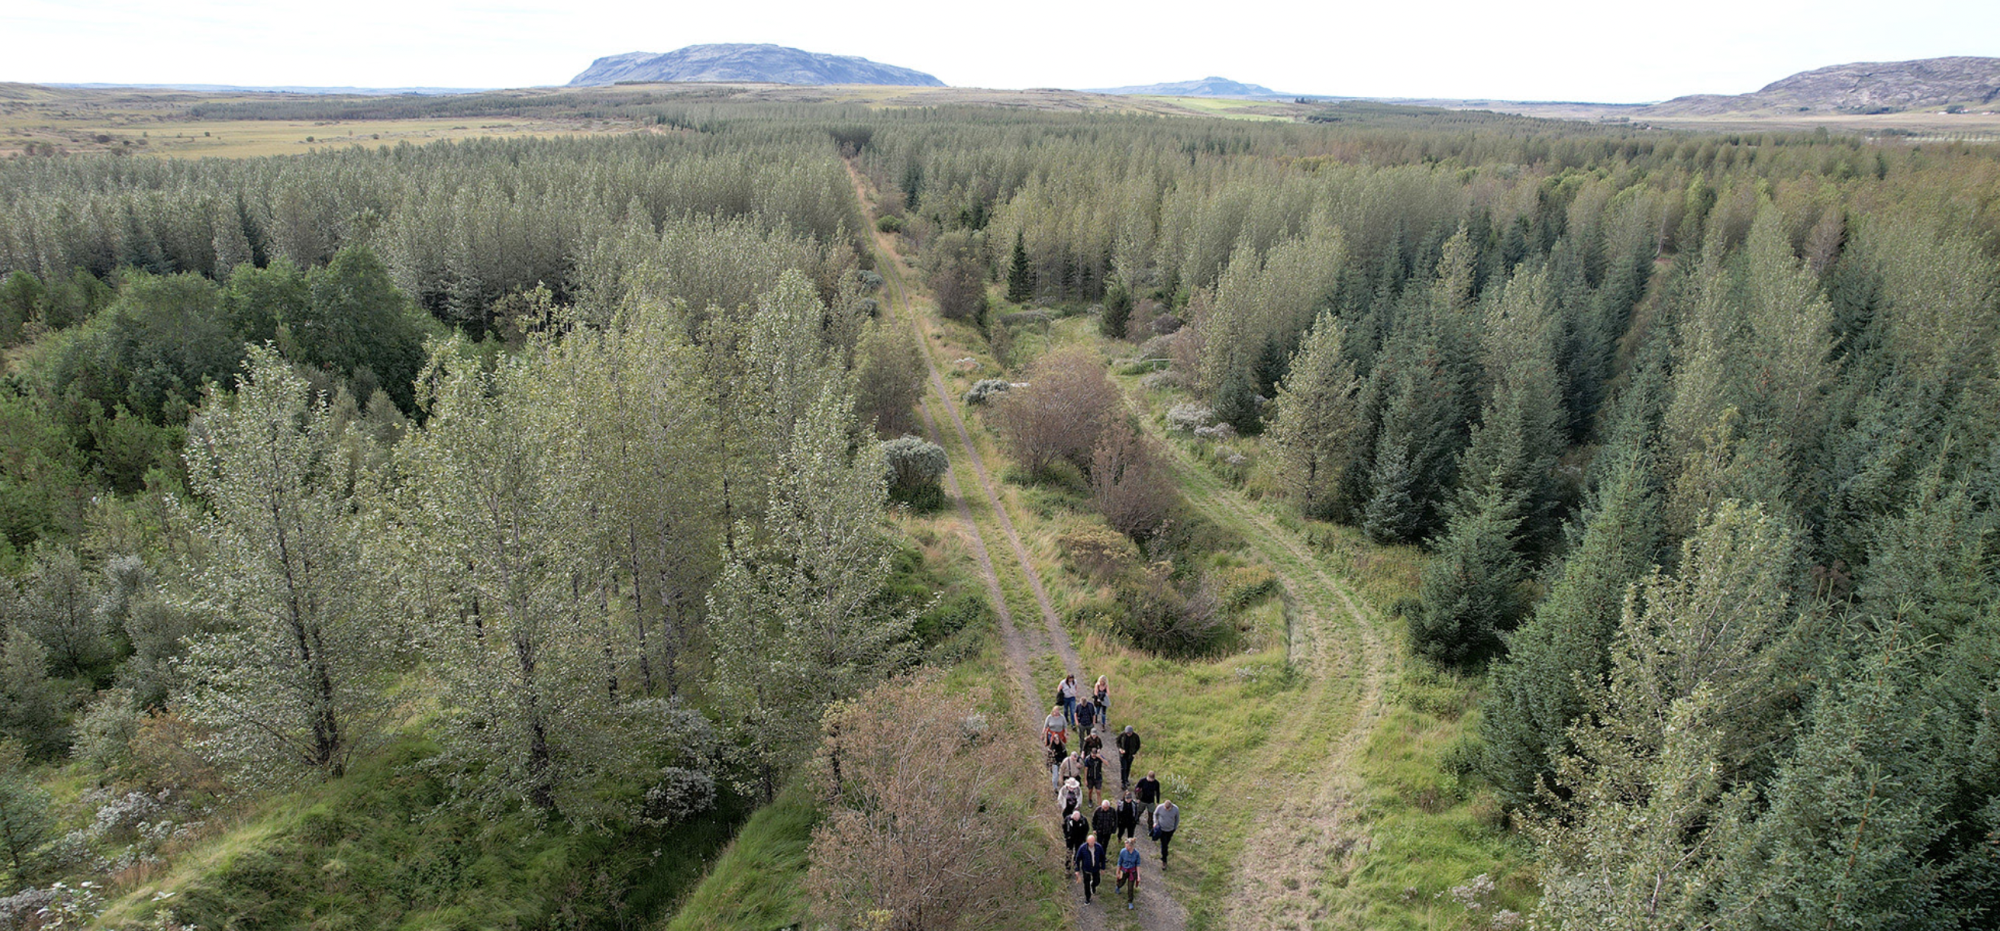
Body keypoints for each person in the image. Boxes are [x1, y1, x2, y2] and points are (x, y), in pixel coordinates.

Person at [1074, 833, 1106, 903]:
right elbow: (1077, 859)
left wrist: (1103, 868)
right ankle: (1087, 898)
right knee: (1086, 884)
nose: (1092, 844)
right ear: (1087, 841)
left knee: (1097, 881)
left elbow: (1103, 858)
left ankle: (1093, 885)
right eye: (1090, 842)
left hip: (1096, 868)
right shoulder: (1082, 848)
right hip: (1086, 869)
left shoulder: (1099, 847)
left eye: (1093, 842)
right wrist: (1077, 870)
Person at [1115, 838, 1142, 909]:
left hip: (1132, 872)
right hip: (1124, 870)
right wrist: (1117, 872)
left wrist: (1138, 876)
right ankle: (1118, 886)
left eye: (1127, 846)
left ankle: (1130, 901)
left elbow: (1138, 865)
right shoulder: (1122, 851)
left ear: (1131, 846)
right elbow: (1119, 862)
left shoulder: (1136, 854)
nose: (1126, 847)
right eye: (1125, 845)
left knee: (1130, 887)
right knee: (1121, 881)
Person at [1153, 798, 1180, 867]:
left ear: (1171, 806)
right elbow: (1155, 814)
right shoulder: (1160, 807)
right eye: (1166, 808)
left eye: (1168, 808)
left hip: (1170, 830)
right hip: (1162, 830)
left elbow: (1177, 819)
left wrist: (1174, 827)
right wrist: (1155, 822)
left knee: (1166, 843)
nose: (1167, 810)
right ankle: (1164, 860)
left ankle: (1165, 853)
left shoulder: (1176, 809)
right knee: (1164, 844)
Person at [1116, 725, 1141, 790]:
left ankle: (1126, 779)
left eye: (1129, 733)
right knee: (1123, 768)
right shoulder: (1122, 735)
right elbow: (1117, 742)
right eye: (1127, 733)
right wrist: (1120, 749)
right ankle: (1123, 782)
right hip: (1123, 755)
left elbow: (1138, 745)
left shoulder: (1135, 737)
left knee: (1128, 767)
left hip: (1130, 755)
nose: (1128, 734)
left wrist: (1134, 753)